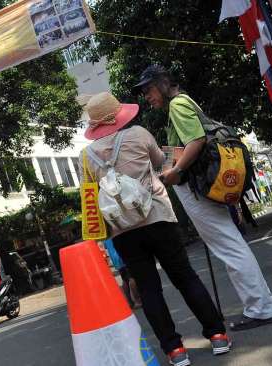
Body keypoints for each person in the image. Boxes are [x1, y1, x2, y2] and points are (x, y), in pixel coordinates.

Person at [81, 92, 231, 366]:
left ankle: (175, 351)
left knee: (149, 290)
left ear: (94, 124)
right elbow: (160, 160)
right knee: (184, 277)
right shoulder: (138, 133)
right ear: (118, 115)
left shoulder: (87, 155)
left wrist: (98, 239)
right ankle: (218, 334)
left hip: (123, 231)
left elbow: (89, 198)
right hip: (158, 217)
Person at [136, 65, 272, 331]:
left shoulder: (177, 105)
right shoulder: (183, 102)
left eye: (149, 89)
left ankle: (260, 308)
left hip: (196, 186)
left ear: (163, 83)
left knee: (228, 246)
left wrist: (176, 171)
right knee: (232, 242)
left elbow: (196, 142)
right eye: (144, 92)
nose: (147, 96)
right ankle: (265, 301)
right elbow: (186, 144)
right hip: (203, 183)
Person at [103, 238, 142, 309]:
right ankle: (138, 301)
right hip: (122, 255)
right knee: (131, 278)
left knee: (125, 280)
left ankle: (130, 302)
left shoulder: (106, 235)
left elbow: (105, 246)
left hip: (115, 260)